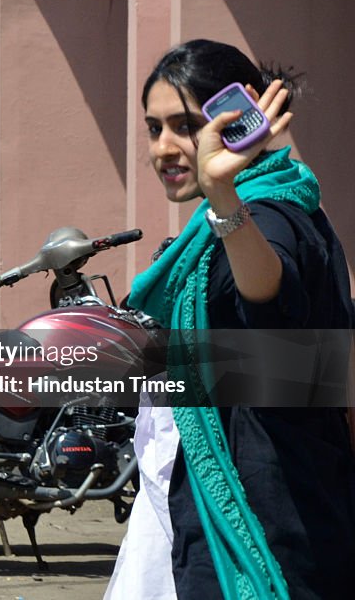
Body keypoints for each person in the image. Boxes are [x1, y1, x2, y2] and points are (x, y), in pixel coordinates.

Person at [105, 40, 355, 599]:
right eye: (153, 128)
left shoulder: (270, 214)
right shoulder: (219, 225)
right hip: (239, 502)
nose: (163, 148)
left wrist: (223, 199)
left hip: (275, 515)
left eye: (185, 126)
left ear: (239, 124)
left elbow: (267, 291)